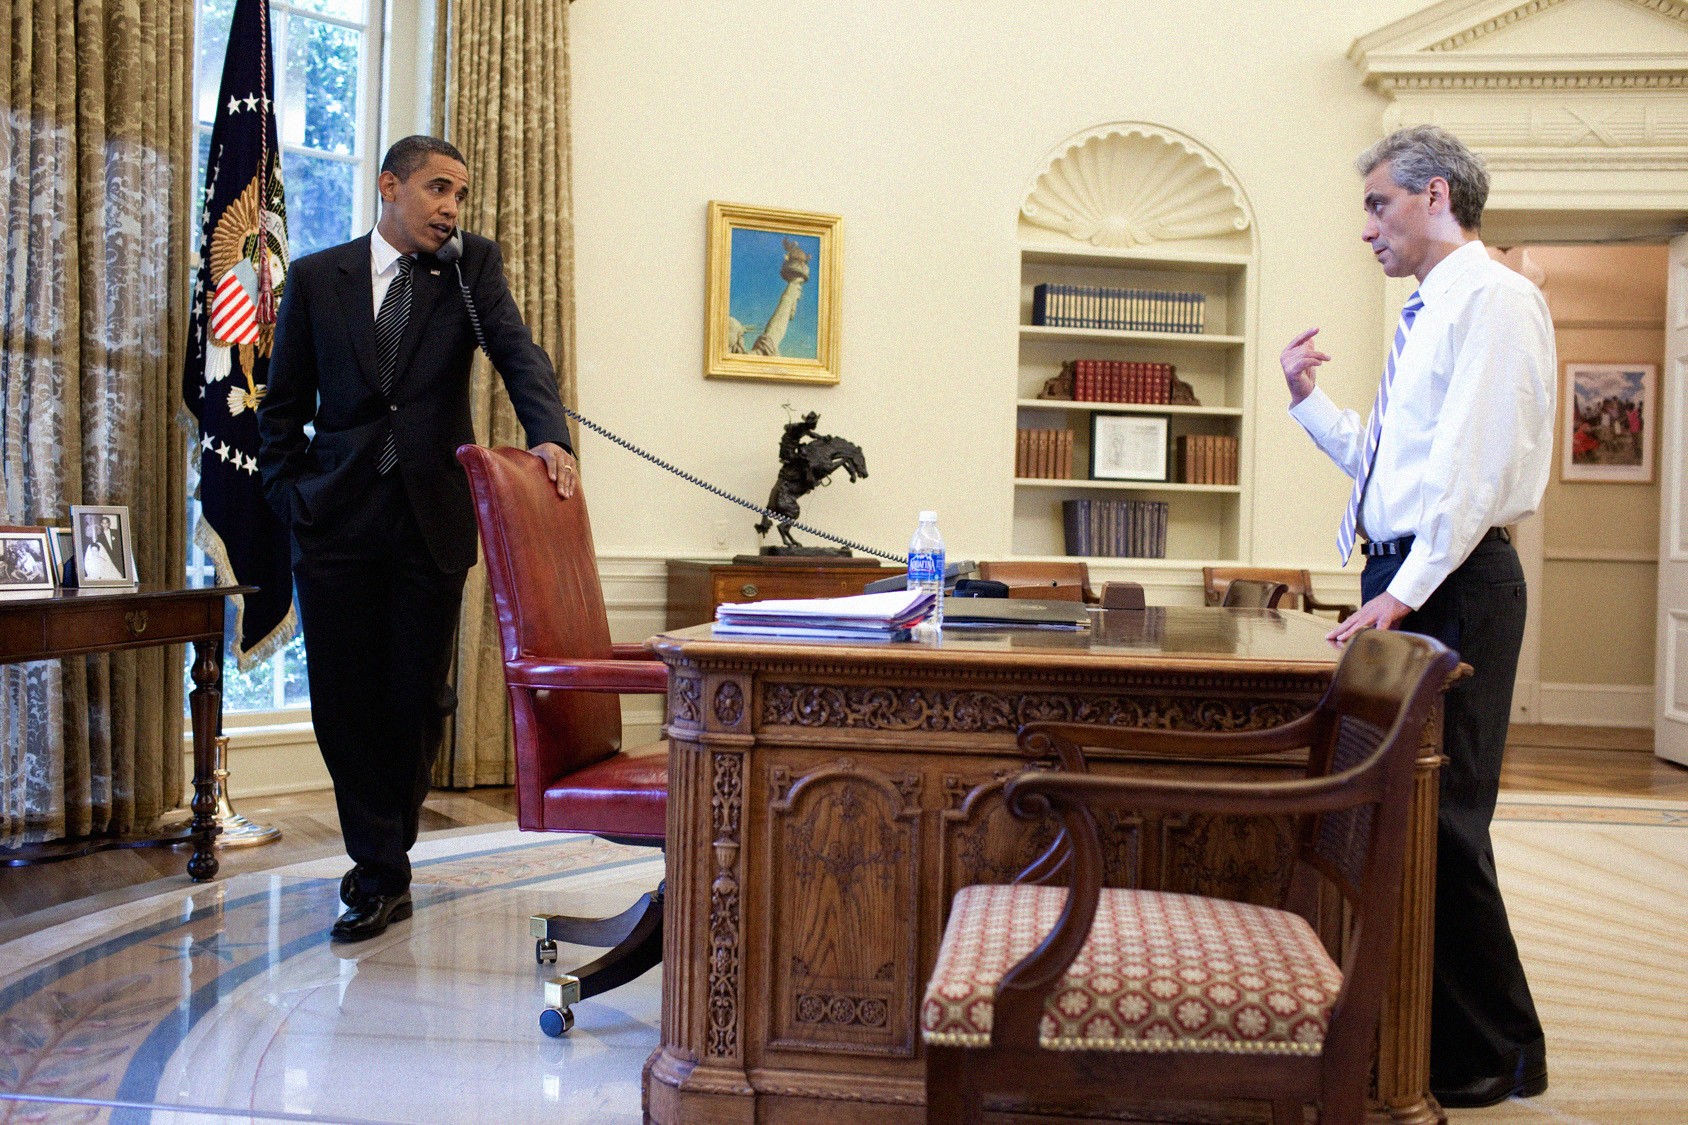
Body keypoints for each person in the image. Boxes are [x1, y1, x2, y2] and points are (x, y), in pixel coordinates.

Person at [1279, 125, 1553, 1109]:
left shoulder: (1492, 299)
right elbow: (1398, 474)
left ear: (1431, 195)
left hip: (1449, 584)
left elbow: (1473, 476)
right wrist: (1307, 404)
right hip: (1407, 573)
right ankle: (1424, 1033)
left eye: (1376, 205)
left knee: (1442, 820)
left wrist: (1404, 591)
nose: (1364, 230)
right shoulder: (1431, 310)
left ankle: (1495, 1052)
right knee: (1400, 819)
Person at [258, 136, 577, 943]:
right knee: (344, 699)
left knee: (417, 696)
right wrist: (291, 493)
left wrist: (551, 435)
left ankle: (384, 845)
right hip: (334, 521)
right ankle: (378, 869)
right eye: (438, 189)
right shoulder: (315, 278)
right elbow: (281, 405)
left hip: (430, 516)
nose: (451, 208)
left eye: (460, 195)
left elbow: (517, 351)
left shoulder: (470, 270)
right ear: (389, 186)